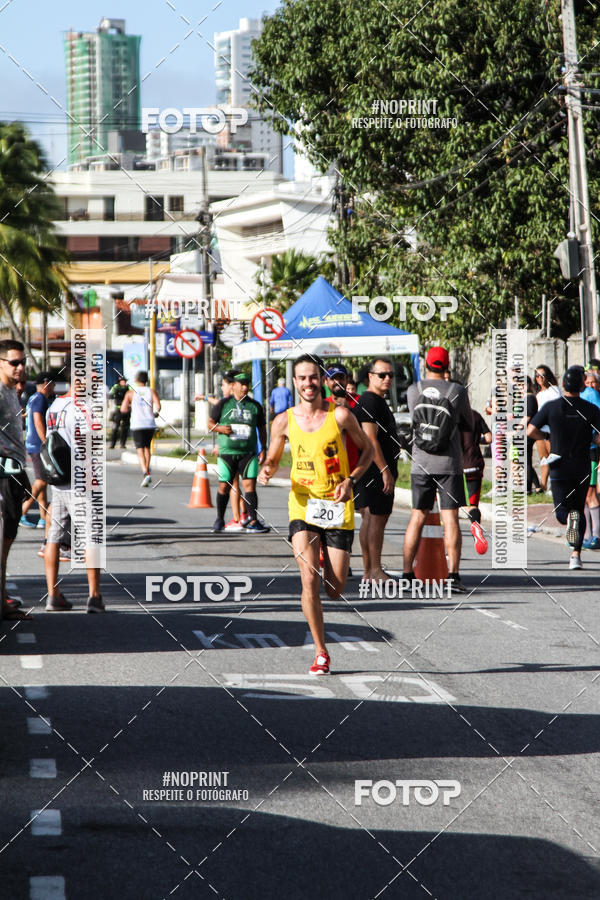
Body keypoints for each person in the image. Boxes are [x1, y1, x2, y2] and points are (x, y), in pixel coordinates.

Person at [258, 354, 373, 675]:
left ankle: (323, 561)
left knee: (334, 590)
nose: (308, 384)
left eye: (313, 378)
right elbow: (273, 457)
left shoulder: (340, 417)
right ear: (294, 382)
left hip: (337, 507)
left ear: (321, 381)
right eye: (302, 378)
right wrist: (267, 470)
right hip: (303, 505)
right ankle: (321, 652)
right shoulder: (283, 421)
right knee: (308, 579)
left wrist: (351, 480)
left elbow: (368, 451)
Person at [403, 346, 474, 593]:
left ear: (427, 365)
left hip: (421, 462)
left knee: (417, 516)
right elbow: (468, 422)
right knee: (450, 518)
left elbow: (415, 419)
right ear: (446, 366)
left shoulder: (414, 390)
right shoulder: (457, 390)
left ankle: (407, 574)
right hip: (448, 464)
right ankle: (453, 576)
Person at [528, 366, 600, 569]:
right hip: (582, 465)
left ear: (562, 385)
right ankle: (575, 555)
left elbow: (530, 430)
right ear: (581, 385)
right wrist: (593, 438)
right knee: (579, 508)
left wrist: (547, 436)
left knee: (562, 513)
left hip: (558, 465)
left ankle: (569, 519)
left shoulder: (551, 407)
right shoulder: (590, 409)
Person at [44, 372, 104, 611]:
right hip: (81, 480)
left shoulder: (54, 406)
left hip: (58, 480)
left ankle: (53, 595)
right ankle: (94, 596)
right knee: (91, 536)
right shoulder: (83, 408)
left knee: (54, 537)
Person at [354, 358, 402, 581]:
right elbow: (371, 439)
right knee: (377, 519)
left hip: (371, 469)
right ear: (369, 376)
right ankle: (374, 569)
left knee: (370, 519)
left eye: (390, 375)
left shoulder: (375, 400)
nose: (387, 379)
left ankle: (368, 571)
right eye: (382, 374)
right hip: (374, 470)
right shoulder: (370, 401)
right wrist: (384, 470)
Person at [208, 372, 270, 534]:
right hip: (227, 453)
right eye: (241, 384)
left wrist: (263, 447)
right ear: (233, 385)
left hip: (248, 453)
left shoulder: (255, 406)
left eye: (246, 384)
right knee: (224, 486)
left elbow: (261, 428)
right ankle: (219, 519)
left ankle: (253, 521)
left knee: (249, 486)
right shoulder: (223, 404)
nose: (244, 387)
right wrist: (220, 428)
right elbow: (210, 423)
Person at [0, 340, 32, 620]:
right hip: (3, 472)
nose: (20, 367)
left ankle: (2, 600)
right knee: (4, 539)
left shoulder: (12, 391)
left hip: (15, 470)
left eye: (22, 362)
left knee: (8, 537)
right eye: (14, 363)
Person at [212, 371, 248, 532]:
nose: (222, 387)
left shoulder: (239, 403)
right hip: (233, 449)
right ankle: (243, 515)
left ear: (232, 385)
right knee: (235, 483)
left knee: (234, 483)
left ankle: (237, 518)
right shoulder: (227, 402)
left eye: (224, 384)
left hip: (242, 450)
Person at [20, 371, 54, 529]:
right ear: (46, 383)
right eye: (52, 384)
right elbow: (37, 419)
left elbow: (26, 415)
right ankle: (22, 511)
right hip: (37, 444)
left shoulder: (33, 397)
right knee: (41, 480)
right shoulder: (40, 399)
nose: (53, 387)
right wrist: (45, 441)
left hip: (32, 443)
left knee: (43, 481)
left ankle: (42, 516)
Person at [121, 371, 161, 487]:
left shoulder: (130, 393)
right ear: (146, 380)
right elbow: (158, 406)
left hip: (137, 424)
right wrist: (155, 413)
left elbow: (123, 409)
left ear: (136, 380)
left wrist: (129, 406)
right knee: (147, 447)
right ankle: (147, 470)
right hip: (149, 423)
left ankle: (145, 472)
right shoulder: (151, 391)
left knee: (139, 449)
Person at [461, 409, 492, 554]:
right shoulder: (475, 415)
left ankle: (450, 551)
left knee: (451, 511)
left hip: (456, 467)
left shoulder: (449, 415)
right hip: (475, 466)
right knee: (472, 505)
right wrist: (475, 440)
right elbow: (489, 438)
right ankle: (475, 525)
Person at [580, 368, 600, 549]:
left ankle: (596, 535)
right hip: (581, 451)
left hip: (592, 450)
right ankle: (587, 535)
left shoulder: (591, 396)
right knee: (584, 494)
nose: (590, 386)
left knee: (591, 493)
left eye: (593, 382)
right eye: (587, 383)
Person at [533, 364, 561, 491]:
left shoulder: (554, 390)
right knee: (543, 459)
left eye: (542, 375)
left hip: (552, 430)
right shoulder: (538, 394)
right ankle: (543, 486)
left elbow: (558, 407)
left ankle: (556, 485)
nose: (540, 378)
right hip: (541, 430)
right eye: (537, 376)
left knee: (554, 458)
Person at [525, 376, 542, 494]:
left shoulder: (530, 398)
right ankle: (537, 486)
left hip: (528, 432)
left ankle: (527, 489)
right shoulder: (523, 398)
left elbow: (527, 417)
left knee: (525, 461)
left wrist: (515, 429)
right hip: (523, 432)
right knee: (525, 461)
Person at [109, 376, 130, 449]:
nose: (124, 383)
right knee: (115, 428)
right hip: (118, 410)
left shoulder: (128, 388)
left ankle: (123, 444)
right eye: (122, 381)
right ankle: (112, 444)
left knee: (125, 428)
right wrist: (115, 386)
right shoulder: (116, 388)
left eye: (125, 381)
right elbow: (111, 393)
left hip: (127, 410)